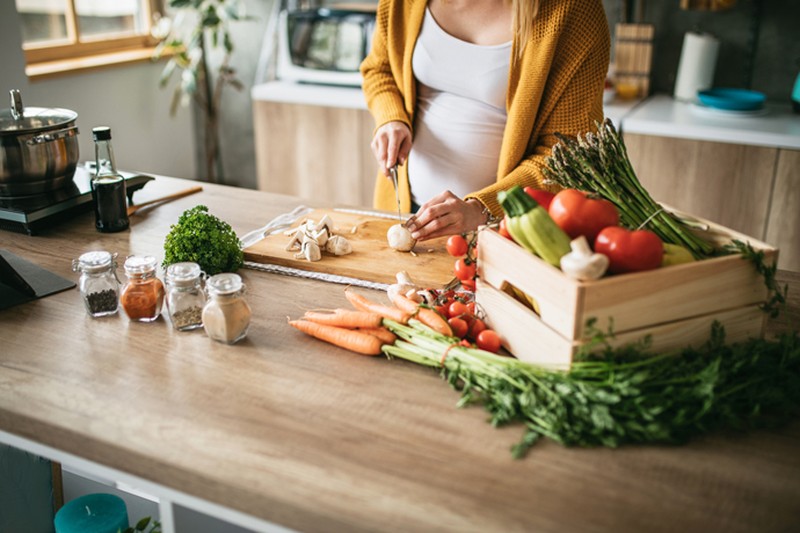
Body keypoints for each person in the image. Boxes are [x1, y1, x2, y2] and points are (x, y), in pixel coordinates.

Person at [360, 0, 610, 241]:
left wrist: (482, 208)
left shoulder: (571, 9)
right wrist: (391, 118)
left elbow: (570, 153)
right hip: (405, 211)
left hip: (506, 229)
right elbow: (379, 69)